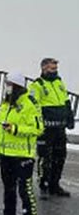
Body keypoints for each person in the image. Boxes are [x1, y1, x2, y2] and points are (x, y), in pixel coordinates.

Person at [0, 73, 43, 215]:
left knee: (25, 192)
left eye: (9, 84)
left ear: (17, 86)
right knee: (9, 191)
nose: (6, 86)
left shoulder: (29, 103)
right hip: (6, 155)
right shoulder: (6, 104)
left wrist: (15, 128)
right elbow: (0, 130)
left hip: (23, 156)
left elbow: (37, 128)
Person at [28, 58, 75, 199]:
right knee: (45, 158)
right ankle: (44, 184)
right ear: (43, 69)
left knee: (60, 157)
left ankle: (55, 184)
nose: (55, 71)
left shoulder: (59, 83)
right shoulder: (37, 85)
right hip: (46, 129)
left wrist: (69, 117)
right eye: (51, 68)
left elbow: (65, 101)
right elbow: (33, 107)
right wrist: (39, 124)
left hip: (60, 128)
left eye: (55, 68)